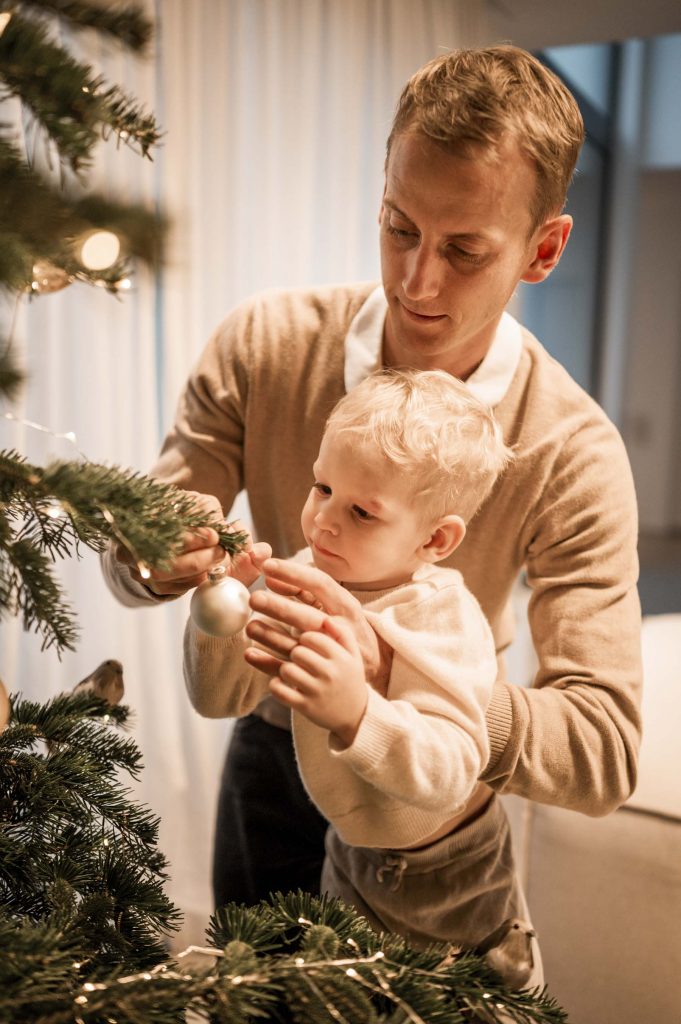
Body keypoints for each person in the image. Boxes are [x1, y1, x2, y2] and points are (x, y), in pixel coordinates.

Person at [102, 43, 641, 938]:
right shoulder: (263, 346)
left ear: (542, 249)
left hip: (432, 814)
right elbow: (134, 559)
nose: (416, 282)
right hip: (268, 771)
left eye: (465, 249)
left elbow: (601, 751)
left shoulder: (571, 451)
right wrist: (156, 558)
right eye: (398, 227)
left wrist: (411, 678)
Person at [184, 368, 534, 963]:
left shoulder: (444, 617)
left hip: (448, 871)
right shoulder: (304, 576)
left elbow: (450, 773)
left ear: (436, 541)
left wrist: (359, 712)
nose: (324, 520)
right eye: (322, 488)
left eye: (362, 512)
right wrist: (222, 606)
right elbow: (220, 700)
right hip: (351, 852)